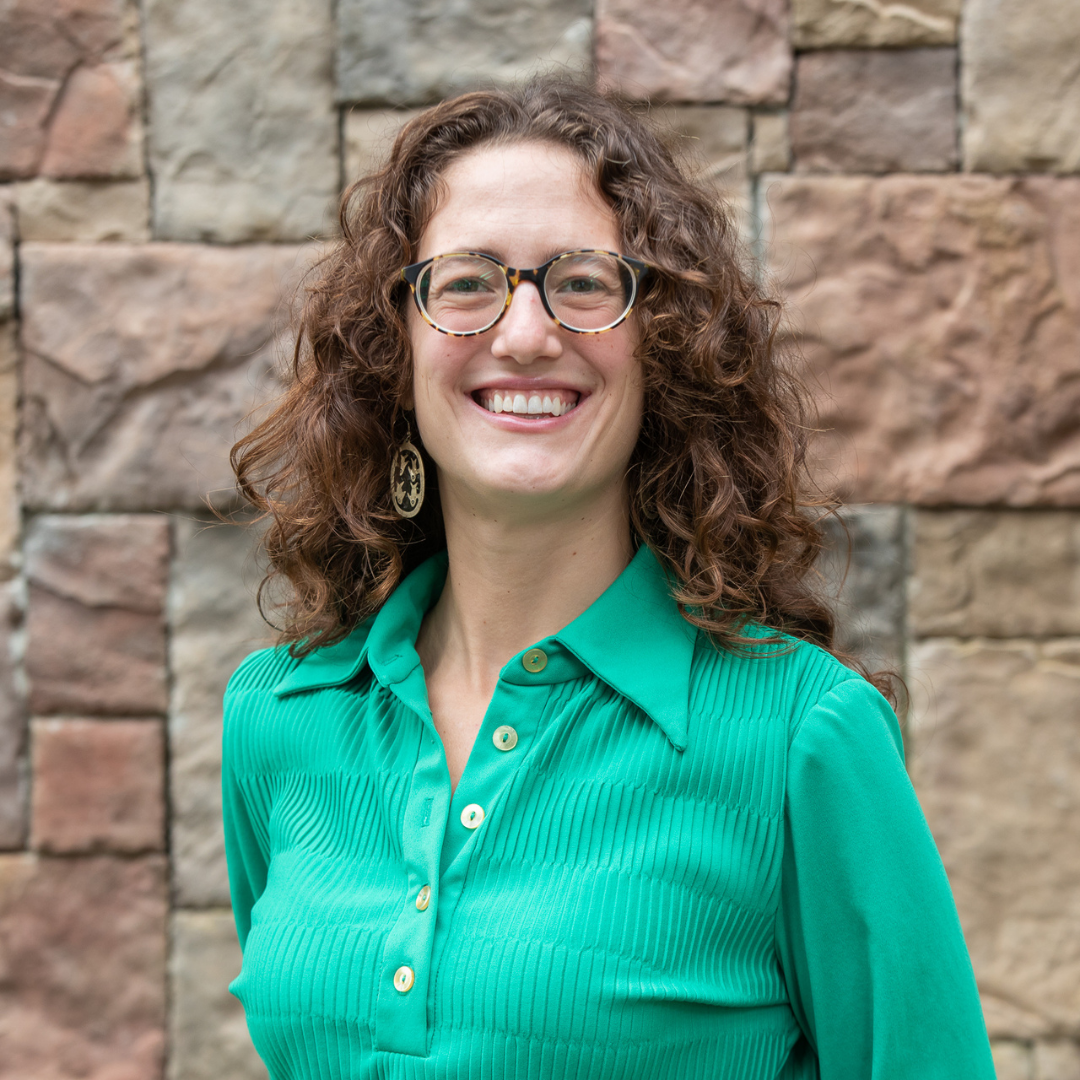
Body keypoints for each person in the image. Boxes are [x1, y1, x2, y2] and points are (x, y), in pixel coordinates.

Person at [222, 78, 996, 1079]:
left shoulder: (801, 735)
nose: (526, 332)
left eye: (585, 282)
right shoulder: (279, 715)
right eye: (465, 282)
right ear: (393, 351)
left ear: (664, 348)